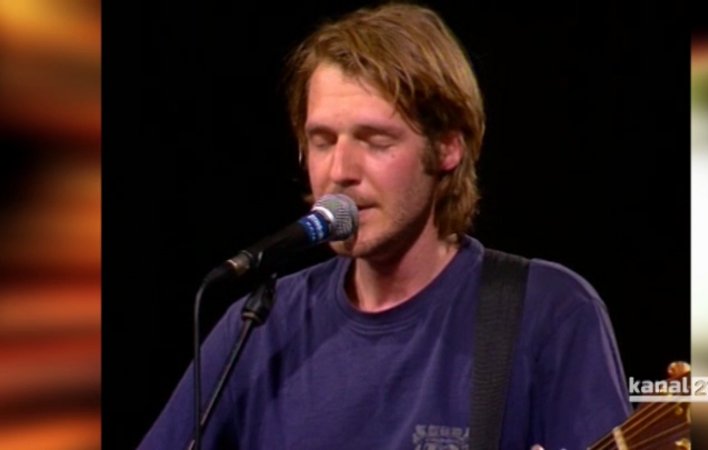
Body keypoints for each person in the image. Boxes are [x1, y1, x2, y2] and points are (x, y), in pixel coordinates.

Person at [138, 3, 631, 449]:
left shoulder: (548, 313)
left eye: (375, 140)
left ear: (447, 148)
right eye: (323, 141)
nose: (340, 170)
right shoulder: (260, 325)